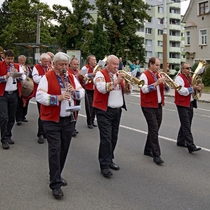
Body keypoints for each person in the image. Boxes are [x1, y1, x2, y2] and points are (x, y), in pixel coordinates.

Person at [36, 52, 85, 199]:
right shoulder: (47, 77)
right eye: (61, 64)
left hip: (68, 119)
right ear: (55, 64)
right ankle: (55, 184)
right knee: (55, 150)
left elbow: (81, 91)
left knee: (64, 149)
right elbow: (39, 96)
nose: (64, 67)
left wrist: (74, 92)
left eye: (66, 64)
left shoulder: (70, 77)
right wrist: (57, 98)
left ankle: (56, 175)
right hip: (51, 120)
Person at [93, 55, 132, 178]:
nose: (116, 67)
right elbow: (101, 89)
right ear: (108, 64)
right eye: (114, 64)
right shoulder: (100, 74)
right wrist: (116, 81)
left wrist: (127, 85)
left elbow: (126, 92)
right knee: (106, 138)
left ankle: (109, 159)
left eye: (117, 64)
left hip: (117, 110)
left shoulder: (118, 75)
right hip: (104, 111)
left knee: (114, 137)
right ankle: (104, 165)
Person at [140, 57, 169, 165]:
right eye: (157, 65)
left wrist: (165, 84)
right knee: (154, 129)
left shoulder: (159, 75)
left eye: (159, 65)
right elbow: (144, 89)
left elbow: (167, 90)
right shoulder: (144, 75)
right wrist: (157, 83)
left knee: (155, 128)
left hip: (158, 105)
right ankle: (157, 155)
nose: (158, 67)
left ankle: (147, 149)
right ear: (151, 64)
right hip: (148, 105)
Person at [0, 50, 26, 149]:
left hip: (14, 94)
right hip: (3, 94)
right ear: (4, 58)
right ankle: (3, 140)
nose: (10, 61)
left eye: (12, 59)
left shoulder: (17, 66)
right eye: (8, 59)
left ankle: (8, 135)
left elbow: (23, 77)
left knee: (11, 117)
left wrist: (18, 75)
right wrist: (4, 77)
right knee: (4, 117)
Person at [174, 62, 202, 153]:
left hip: (190, 103)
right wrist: (192, 88)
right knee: (186, 125)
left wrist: (198, 88)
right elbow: (181, 91)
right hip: (182, 104)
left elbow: (192, 90)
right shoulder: (179, 78)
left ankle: (180, 140)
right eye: (187, 68)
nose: (189, 70)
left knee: (187, 123)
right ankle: (191, 145)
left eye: (189, 68)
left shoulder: (189, 78)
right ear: (182, 69)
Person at [32, 53, 51, 144]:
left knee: (49, 113)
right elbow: (35, 79)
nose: (47, 63)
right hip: (41, 94)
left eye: (48, 61)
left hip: (50, 93)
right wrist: (46, 75)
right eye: (45, 61)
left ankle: (47, 132)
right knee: (42, 113)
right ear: (41, 60)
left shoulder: (51, 67)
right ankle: (41, 133)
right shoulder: (36, 67)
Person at [16, 55, 33, 125]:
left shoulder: (27, 67)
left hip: (27, 87)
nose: (22, 62)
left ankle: (23, 116)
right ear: (18, 60)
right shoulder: (16, 67)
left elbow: (31, 75)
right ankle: (18, 118)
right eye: (21, 60)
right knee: (19, 103)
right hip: (19, 86)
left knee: (26, 102)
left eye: (23, 60)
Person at [68, 57, 83, 137]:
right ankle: (70, 128)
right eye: (74, 64)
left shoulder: (78, 71)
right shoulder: (68, 71)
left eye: (77, 64)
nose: (76, 66)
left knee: (76, 112)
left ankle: (73, 127)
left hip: (77, 94)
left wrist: (83, 77)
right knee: (71, 112)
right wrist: (77, 75)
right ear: (70, 64)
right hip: (70, 95)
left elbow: (83, 82)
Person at [82, 55, 97, 129]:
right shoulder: (85, 68)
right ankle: (89, 122)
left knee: (94, 105)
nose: (95, 61)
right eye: (93, 60)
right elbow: (83, 76)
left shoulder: (96, 68)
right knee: (89, 106)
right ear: (89, 61)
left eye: (95, 59)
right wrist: (91, 75)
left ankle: (92, 120)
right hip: (88, 88)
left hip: (95, 89)